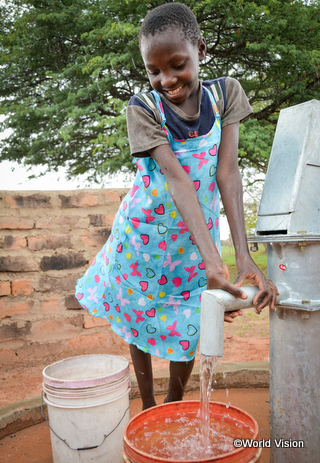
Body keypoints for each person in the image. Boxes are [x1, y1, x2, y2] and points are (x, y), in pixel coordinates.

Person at [75, 2, 277, 410]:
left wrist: (242, 257)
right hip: (141, 240)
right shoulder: (143, 107)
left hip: (193, 243)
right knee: (138, 320)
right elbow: (177, 178)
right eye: (154, 71)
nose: (166, 79)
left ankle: (174, 400)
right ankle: (149, 404)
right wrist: (214, 265)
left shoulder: (225, 94)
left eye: (177, 65)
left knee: (189, 321)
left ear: (201, 50)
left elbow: (229, 174)